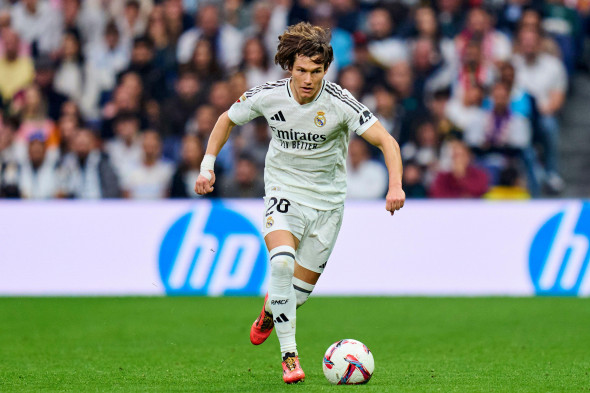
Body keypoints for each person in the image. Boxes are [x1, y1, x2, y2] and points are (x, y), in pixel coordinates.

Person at [194, 22, 405, 384]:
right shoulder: (268, 94)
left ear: (326, 70)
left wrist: (395, 186)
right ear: (290, 66)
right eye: (302, 70)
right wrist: (207, 166)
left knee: (295, 296)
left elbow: (387, 141)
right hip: (283, 191)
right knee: (281, 264)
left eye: (317, 71)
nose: (309, 79)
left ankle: (267, 312)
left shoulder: (339, 102)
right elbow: (225, 120)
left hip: (328, 206)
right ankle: (289, 357)